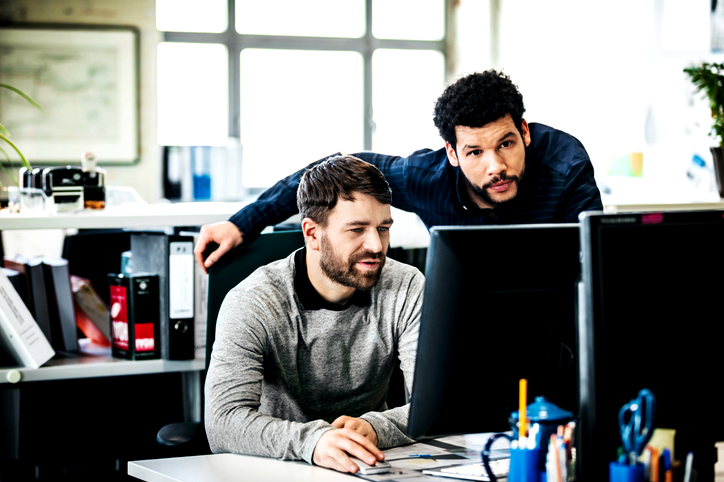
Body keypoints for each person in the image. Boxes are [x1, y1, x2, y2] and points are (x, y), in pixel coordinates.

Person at [195, 69, 603, 272]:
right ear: (452, 153)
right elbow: (330, 169)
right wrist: (242, 223)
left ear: (525, 133)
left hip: (555, 306)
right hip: (470, 310)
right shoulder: (426, 177)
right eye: (475, 152)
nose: (496, 167)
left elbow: (596, 262)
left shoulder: (564, 165)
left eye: (506, 144)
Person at [204, 155, 424, 474]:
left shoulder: (407, 286)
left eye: (383, 228)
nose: (376, 245)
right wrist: (316, 441)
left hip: (370, 462)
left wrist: (375, 428)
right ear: (311, 234)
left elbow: (433, 408)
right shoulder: (253, 301)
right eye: (357, 230)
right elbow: (223, 424)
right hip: (276, 466)